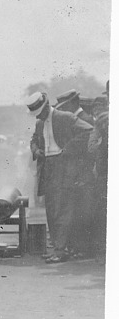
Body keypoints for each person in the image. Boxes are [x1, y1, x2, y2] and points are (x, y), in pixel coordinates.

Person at [26, 91, 93, 263]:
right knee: (51, 210)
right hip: (48, 167)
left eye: (39, 112)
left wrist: (69, 149)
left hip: (64, 167)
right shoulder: (40, 123)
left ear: (47, 106)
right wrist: (36, 150)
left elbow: (88, 130)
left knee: (63, 209)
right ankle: (57, 247)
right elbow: (33, 140)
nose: (38, 117)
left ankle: (61, 250)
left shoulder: (65, 117)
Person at [53, 89, 95, 259]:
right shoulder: (73, 120)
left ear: (72, 103)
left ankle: (82, 249)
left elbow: (87, 151)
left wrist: (66, 150)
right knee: (76, 211)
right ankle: (76, 248)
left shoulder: (85, 119)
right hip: (74, 173)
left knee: (82, 212)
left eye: (64, 107)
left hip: (82, 172)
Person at [87, 94, 108, 263]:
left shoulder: (100, 121)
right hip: (103, 171)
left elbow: (92, 148)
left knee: (101, 209)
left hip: (103, 172)